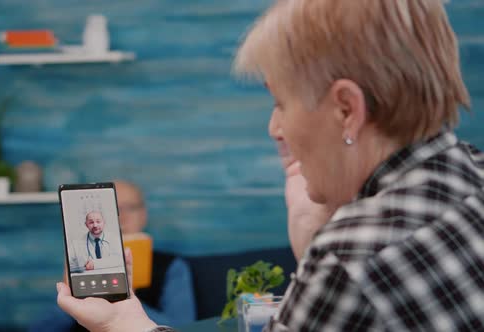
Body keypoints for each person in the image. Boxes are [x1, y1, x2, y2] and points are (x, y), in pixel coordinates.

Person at [56, 0, 484, 331]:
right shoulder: (472, 172)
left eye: (281, 102)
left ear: (346, 109)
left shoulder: (352, 256)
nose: (274, 127)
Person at [30, 180, 196, 331]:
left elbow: (184, 327)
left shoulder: (173, 266)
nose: (121, 218)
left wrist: (124, 299)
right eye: (112, 209)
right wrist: (72, 297)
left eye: (130, 207)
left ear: (144, 215)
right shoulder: (83, 263)